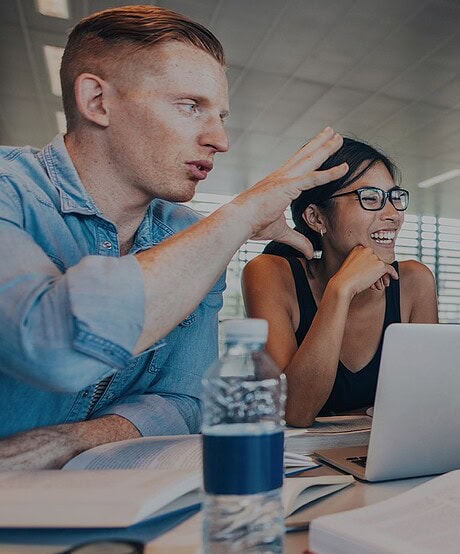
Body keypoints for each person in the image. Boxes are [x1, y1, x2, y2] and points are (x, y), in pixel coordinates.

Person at [0, 5, 345, 469]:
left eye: (220, 115)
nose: (219, 139)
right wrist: (240, 216)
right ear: (97, 101)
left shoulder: (186, 232)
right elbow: (52, 344)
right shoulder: (9, 191)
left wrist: (72, 441)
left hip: (101, 504)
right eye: (190, 106)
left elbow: (188, 398)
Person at [242, 139, 438, 427]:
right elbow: (294, 411)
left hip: (382, 454)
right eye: (370, 198)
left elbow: (427, 403)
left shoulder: (414, 281)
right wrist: (341, 290)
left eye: (395, 198)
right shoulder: (270, 274)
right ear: (316, 217)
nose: (393, 214)